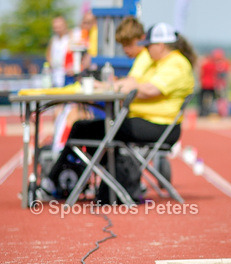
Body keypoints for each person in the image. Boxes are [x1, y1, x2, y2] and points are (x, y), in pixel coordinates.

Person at [44, 23, 195, 201]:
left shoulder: (176, 64)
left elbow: (150, 89)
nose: (145, 50)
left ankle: (58, 182)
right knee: (86, 128)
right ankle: (111, 181)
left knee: (86, 129)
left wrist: (120, 86)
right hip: (149, 122)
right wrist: (120, 86)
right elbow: (137, 84)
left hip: (159, 126)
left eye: (148, 46)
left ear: (160, 46)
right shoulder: (160, 62)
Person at [198, 49, 231, 117]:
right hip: (213, 85)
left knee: (205, 100)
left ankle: (205, 112)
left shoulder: (207, 64)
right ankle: (214, 112)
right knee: (215, 100)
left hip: (208, 84)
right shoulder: (215, 65)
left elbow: (200, 71)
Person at [46, 15, 72, 87]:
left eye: (60, 26)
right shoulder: (53, 39)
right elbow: (48, 54)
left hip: (67, 76)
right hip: (55, 75)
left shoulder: (70, 37)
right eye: (55, 27)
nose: (57, 29)